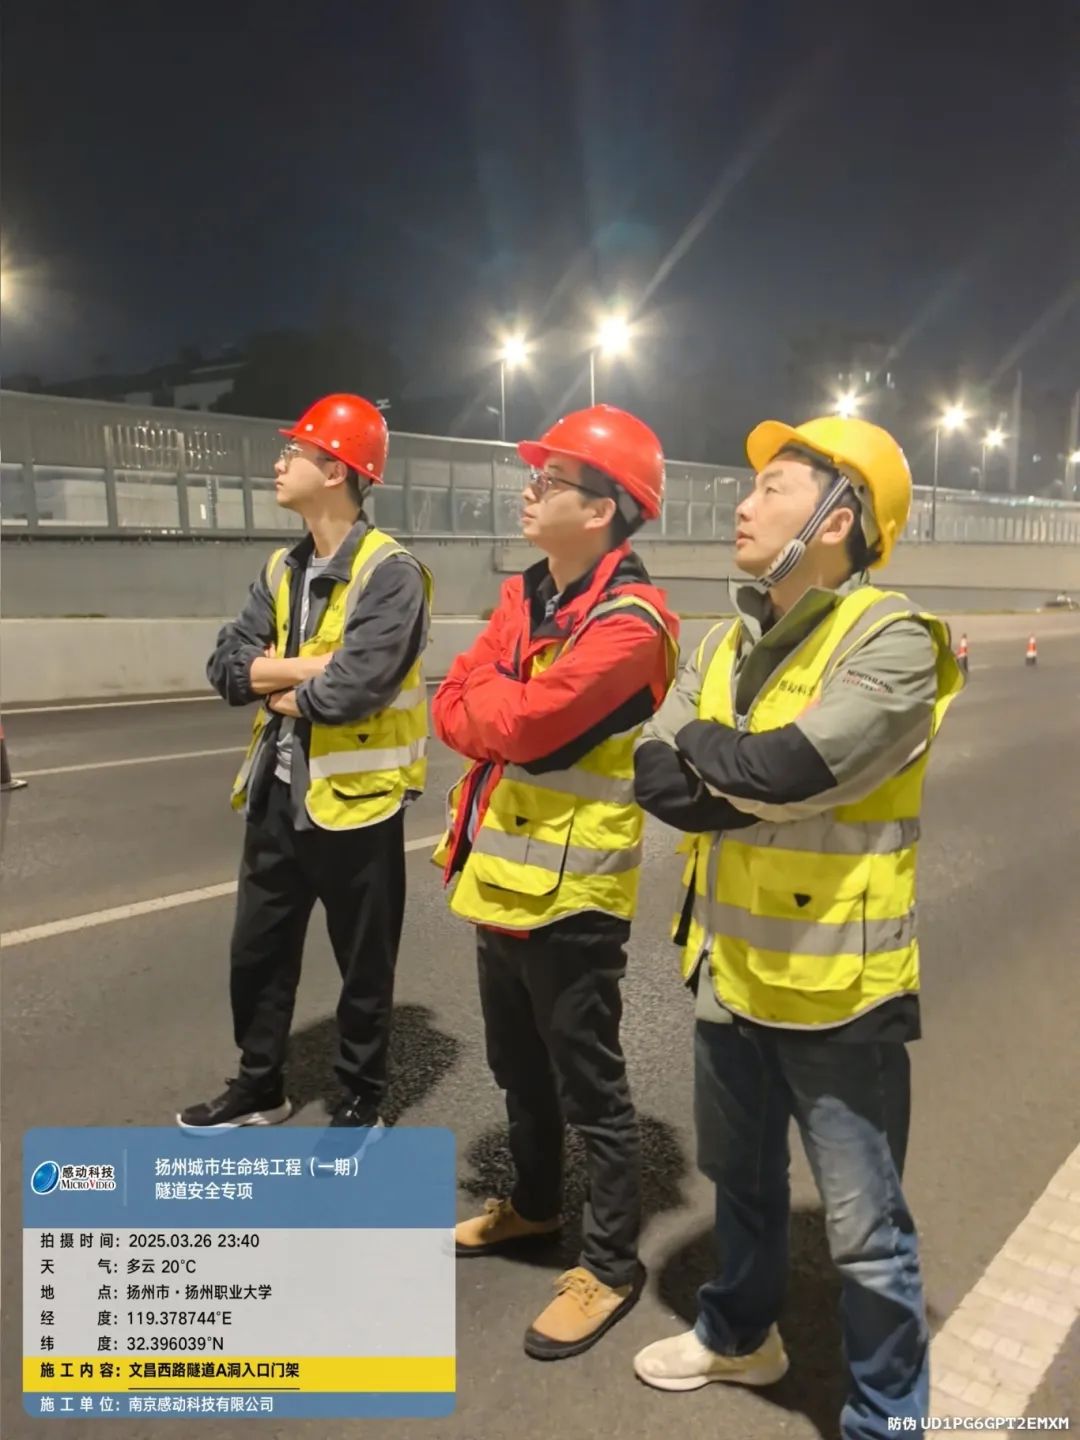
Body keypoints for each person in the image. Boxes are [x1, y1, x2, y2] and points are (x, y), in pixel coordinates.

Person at [631, 415, 964, 1439]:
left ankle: (887, 1418)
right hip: (727, 970)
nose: (743, 504)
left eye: (773, 487)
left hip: (837, 991)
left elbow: (791, 770)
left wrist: (716, 754)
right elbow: (657, 775)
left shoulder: (892, 640)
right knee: (739, 1182)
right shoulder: (724, 639)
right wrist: (728, 761)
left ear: (839, 518)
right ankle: (740, 1335)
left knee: (866, 1232)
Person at [431, 405, 679, 1361]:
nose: (529, 492)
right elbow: (453, 703)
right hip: (499, 882)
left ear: (604, 509)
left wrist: (491, 700)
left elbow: (525, 728)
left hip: (574, 899)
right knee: (516, 1068)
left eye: (551, 481)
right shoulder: (528, 595)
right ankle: (535, 1204)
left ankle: (609, 1266)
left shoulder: (634, 626)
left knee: (591, 1090)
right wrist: (492, 702)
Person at [180, 393, 432, 1134]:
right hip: (276, 794)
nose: (279, 462)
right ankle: (260, 1086)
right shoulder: (281, 567)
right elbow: (226, 668)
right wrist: (304, 669)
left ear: (336, 470)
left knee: (363, 965)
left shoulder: (392, 573)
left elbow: (354, 688)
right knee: (257, 953)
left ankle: (361, 1099)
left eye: (294, 451)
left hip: (358, 803)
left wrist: (282, 682)